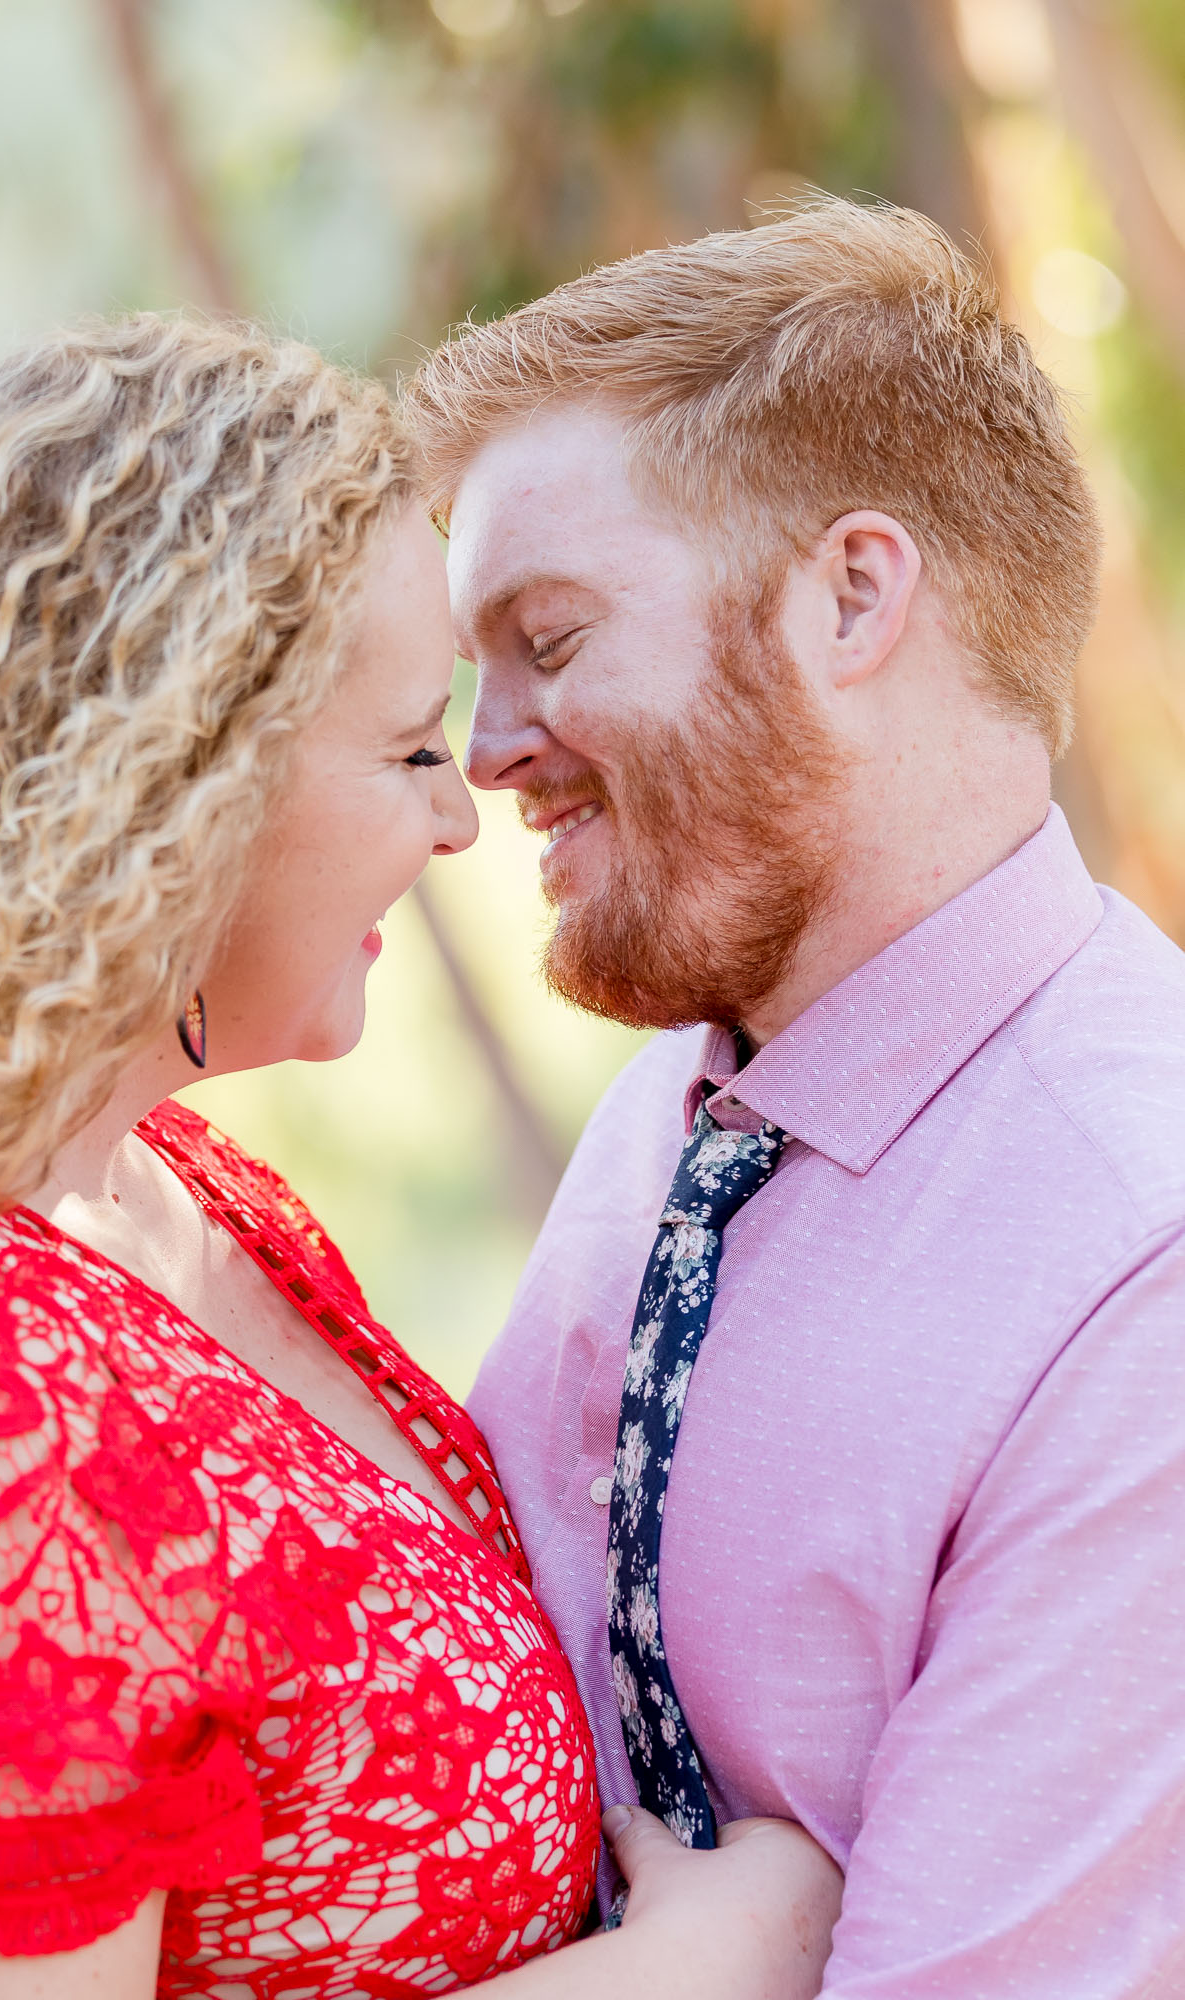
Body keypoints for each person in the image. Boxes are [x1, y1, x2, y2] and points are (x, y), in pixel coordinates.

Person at [0, 315, 841, 1999]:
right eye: (404, 752)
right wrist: (700, 1970)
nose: (461, 818)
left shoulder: (180, 1201)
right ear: (167, 795)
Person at [405, 197, 1185, 1995]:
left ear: (851, 596)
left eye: (550, 635)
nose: (485, 748)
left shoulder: (1138, 1257)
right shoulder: (670, 1105)